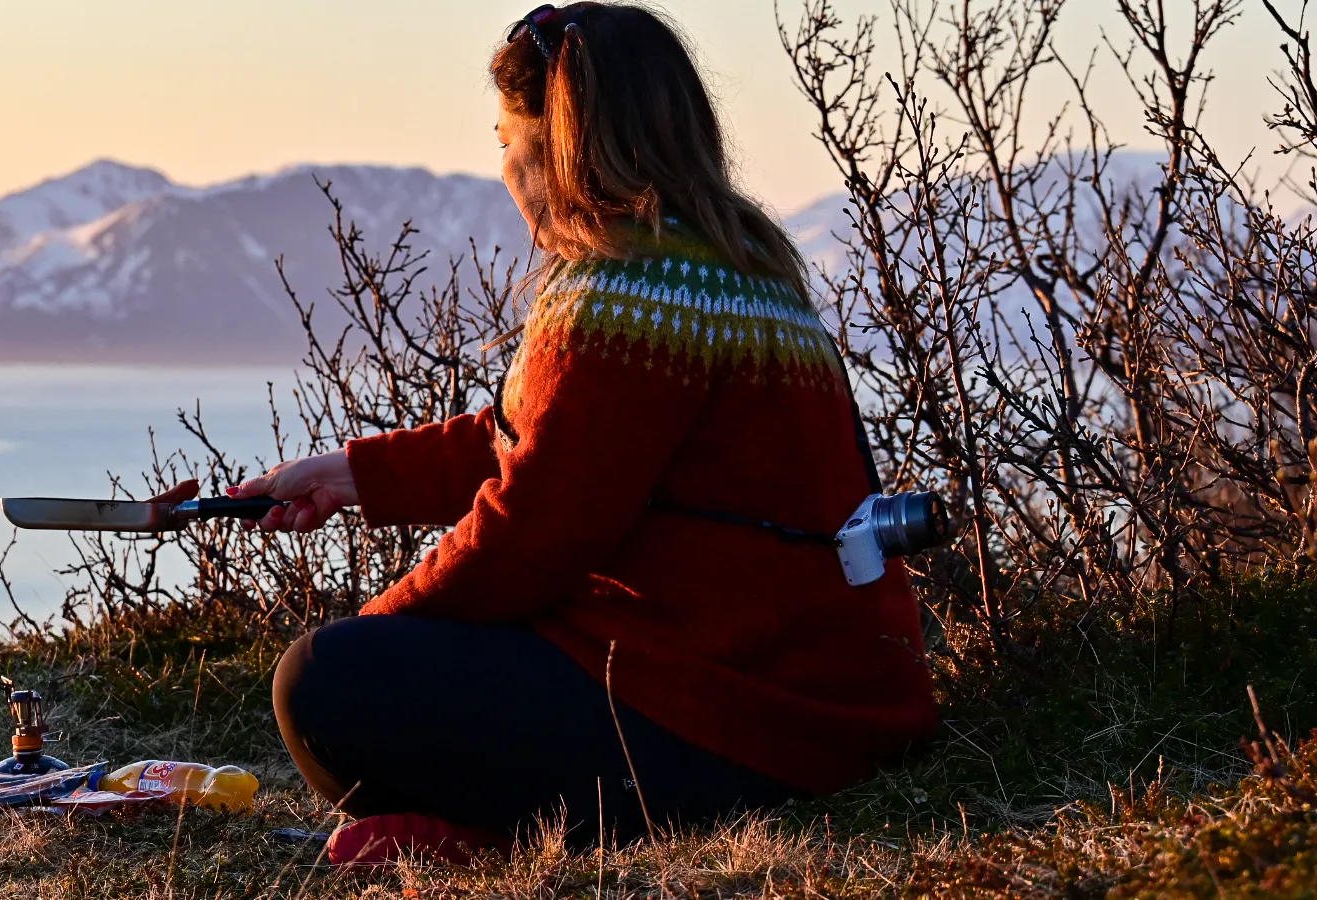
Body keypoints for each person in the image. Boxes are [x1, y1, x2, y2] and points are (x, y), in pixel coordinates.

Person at [229, 2, 937, 866]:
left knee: (323, 685)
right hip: (833, 715)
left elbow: (533, 533)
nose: (502, 168)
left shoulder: (622, 291)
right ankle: (489, 827)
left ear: (553, 146)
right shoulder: (739, 270)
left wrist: (378, 629)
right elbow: (539, 440)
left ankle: (506, 836)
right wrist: (354, 475)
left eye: (503, 139)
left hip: (740, 731)